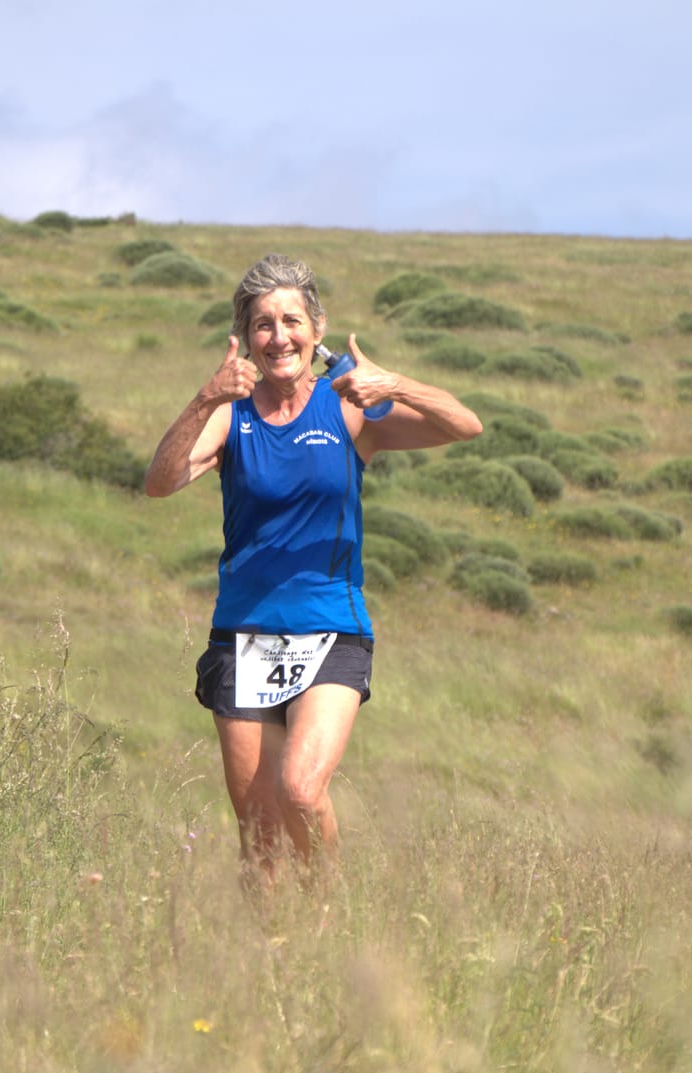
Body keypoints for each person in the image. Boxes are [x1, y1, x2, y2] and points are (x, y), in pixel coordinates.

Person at [146, 254, 482, 878]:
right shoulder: (230, 412)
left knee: (301, 789)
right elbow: (160, 484)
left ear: (318, 329)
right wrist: (203, 399)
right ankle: (275, 959)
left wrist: (396, 385)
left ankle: (333, 910)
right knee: (260, 840)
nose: (280, 337)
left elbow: (466, 425)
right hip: (243, 636)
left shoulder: (348, 406)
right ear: (245, 338)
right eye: (264, 325)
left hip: (331, 628)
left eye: (292, 321)